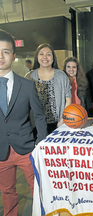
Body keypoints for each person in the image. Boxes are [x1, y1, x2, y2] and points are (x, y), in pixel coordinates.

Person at [0, 29, 47, 216]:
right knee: (7, 192)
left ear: (13, 55)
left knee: (38, 189)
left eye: (5, 51)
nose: (1, 56)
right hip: (1, 150)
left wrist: (39, 144)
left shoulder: (27, 85)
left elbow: (40, 116)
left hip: (27, 148)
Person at [25, 43, 71, 134]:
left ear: (53, 57)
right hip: (35, 126)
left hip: (58, 125)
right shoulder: (29, 77)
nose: (45, 57)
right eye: (41, 54)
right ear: (37, 57)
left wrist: (63, 120)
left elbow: (68, 100)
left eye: (48, 54)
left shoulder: (61, 75)